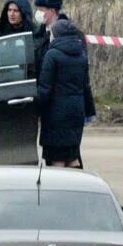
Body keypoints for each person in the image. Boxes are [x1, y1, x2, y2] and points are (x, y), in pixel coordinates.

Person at [36, 19, 96, 168]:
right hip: (76, 112)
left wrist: (36, 109)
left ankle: (60, 189)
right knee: (72, 155)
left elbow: (45, 88)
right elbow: (86, 85)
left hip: (56, 115)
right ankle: (75, 187)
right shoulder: (81, 54)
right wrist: (89, 111)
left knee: (57, 157)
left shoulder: (52, 55)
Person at [33, 0, 68, 80]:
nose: (38, 13)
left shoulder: (67, 33)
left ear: (52, 10)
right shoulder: (38, 34)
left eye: (41, 10)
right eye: (37, 9)